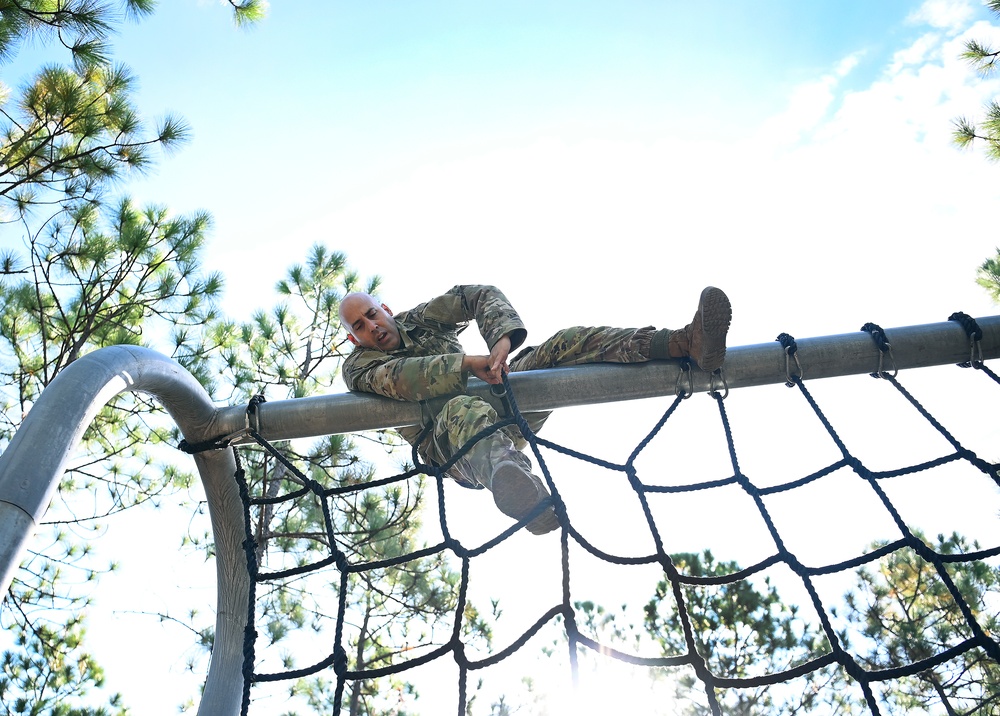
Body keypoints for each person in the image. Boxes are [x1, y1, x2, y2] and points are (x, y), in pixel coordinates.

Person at [340, 284, 731, 535]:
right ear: (353, 338)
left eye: (372, 314)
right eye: (359, 326)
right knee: (463, 408)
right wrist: (466, 364)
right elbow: (401, 378)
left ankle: (685, 343)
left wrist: (501, 341)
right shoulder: (358, 366)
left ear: (385, 308)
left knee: (561, 345)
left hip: (498, 400)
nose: (371, 327)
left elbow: (476, 296)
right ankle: (527, 497)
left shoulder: (422, 320)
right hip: (456, 446)